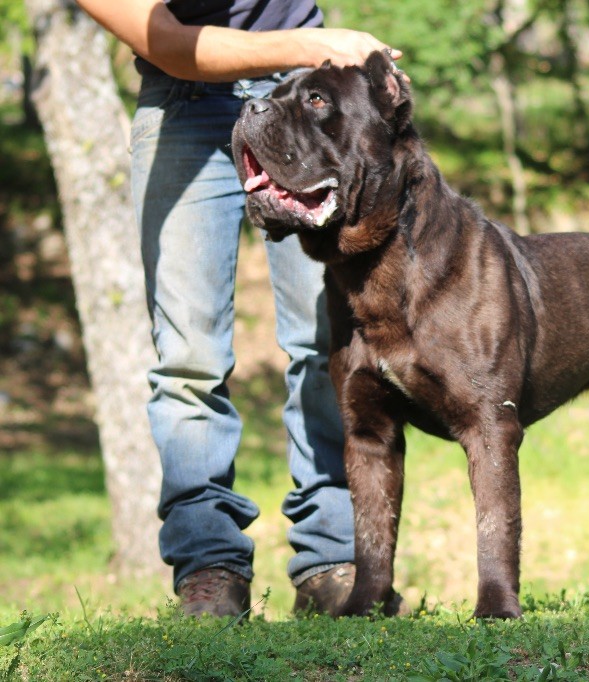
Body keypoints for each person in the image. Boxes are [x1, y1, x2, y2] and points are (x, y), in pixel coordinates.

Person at [75, 0, 400, 618]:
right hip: (183, 101)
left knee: (325, 345)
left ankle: (333, 560)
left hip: (302, 97)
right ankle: (209, 569)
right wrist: (314, 45)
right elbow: (169, 43)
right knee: (188, 360)